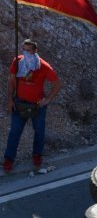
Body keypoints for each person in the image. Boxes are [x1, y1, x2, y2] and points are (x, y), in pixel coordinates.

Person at [3, 39, 61, 172]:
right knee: (15, 132)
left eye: (28, 50)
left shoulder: (44, 66)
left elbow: (57, 84)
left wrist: (47, 99)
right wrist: (10, 100)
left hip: (37, 106)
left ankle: (37, 156)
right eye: (24, 50)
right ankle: (8, 159)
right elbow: (11, 80)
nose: (25, 53)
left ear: (35, 51)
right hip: (20, 103)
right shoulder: (18, 62)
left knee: (39, 131)